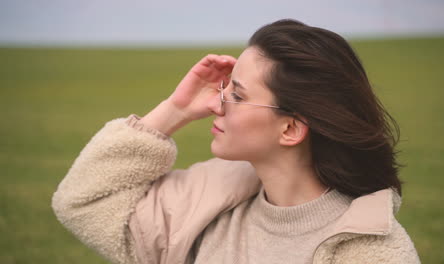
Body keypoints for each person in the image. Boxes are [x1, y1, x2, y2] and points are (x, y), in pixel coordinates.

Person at [52, 19, 421, 264]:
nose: (216, 102)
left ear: (290, 130)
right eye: (224, 87)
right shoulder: (206, 204)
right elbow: (83, 202)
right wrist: (175, 109)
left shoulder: (371, 252)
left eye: (238, 95)